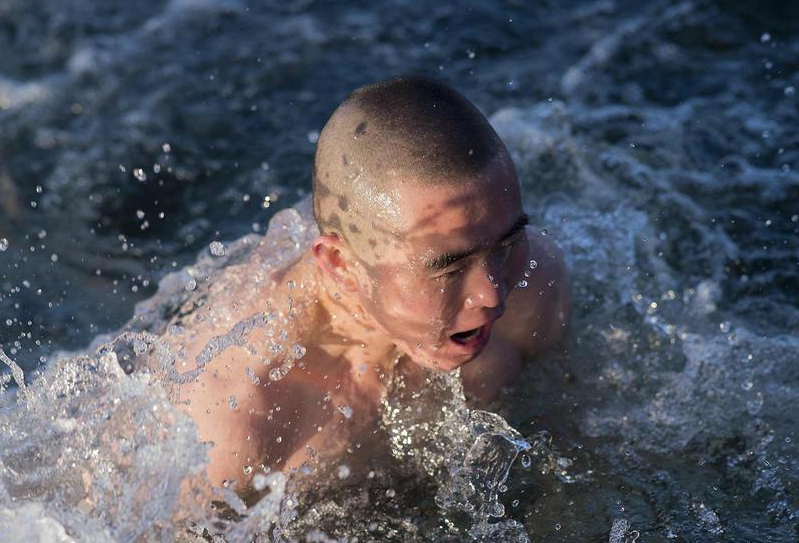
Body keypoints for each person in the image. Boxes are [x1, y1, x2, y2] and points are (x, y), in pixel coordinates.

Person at [165, 76, 571, 502]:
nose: (493, 294)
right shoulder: (229, 427)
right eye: (449, 270)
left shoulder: (535, 285)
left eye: (506, 243)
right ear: (341, 265)